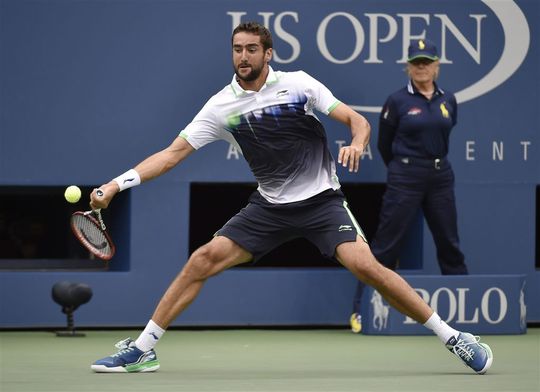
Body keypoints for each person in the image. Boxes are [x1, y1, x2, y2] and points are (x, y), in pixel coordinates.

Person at [90, 24, 492, 375]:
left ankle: (453, 336)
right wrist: (116, 184)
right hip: (269, 208)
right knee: (202, 260)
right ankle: (142, 350)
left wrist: (356, 142)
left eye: (251, 49)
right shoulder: (221, 106)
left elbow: (357, 120)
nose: (243, 56)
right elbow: (172, 154)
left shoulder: (299, 84)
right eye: (237, 49)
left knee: (367, 268)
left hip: (322, 202)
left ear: (268, 53)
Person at [350, 39, 469, 334]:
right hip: (404, 177)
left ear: (437, 66)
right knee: (386, 247)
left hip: (441, 178)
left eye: (427, 62)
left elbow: (445, 134)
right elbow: (384, 145)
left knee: (449, 245)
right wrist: (406, 168)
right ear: (407, 67)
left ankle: (466, 314)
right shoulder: (397, 101)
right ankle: (361, 311)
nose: (421, 68)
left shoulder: (448, 100)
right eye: (416, 63)